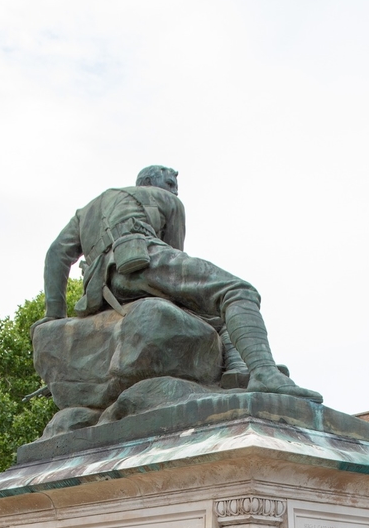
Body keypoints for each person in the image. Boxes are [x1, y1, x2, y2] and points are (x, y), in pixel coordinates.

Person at [43, 165, 322, 403]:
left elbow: (56, 254)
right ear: (150, 183)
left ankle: (237, 368)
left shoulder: (85, 212)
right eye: (170, 183)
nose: (174, 190)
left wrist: (54, 318)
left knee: (214, 314)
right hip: (145, 263)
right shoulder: (166, 200)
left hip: (105, 290)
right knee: (237, 292)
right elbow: (173, 251)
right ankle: (263, 371)